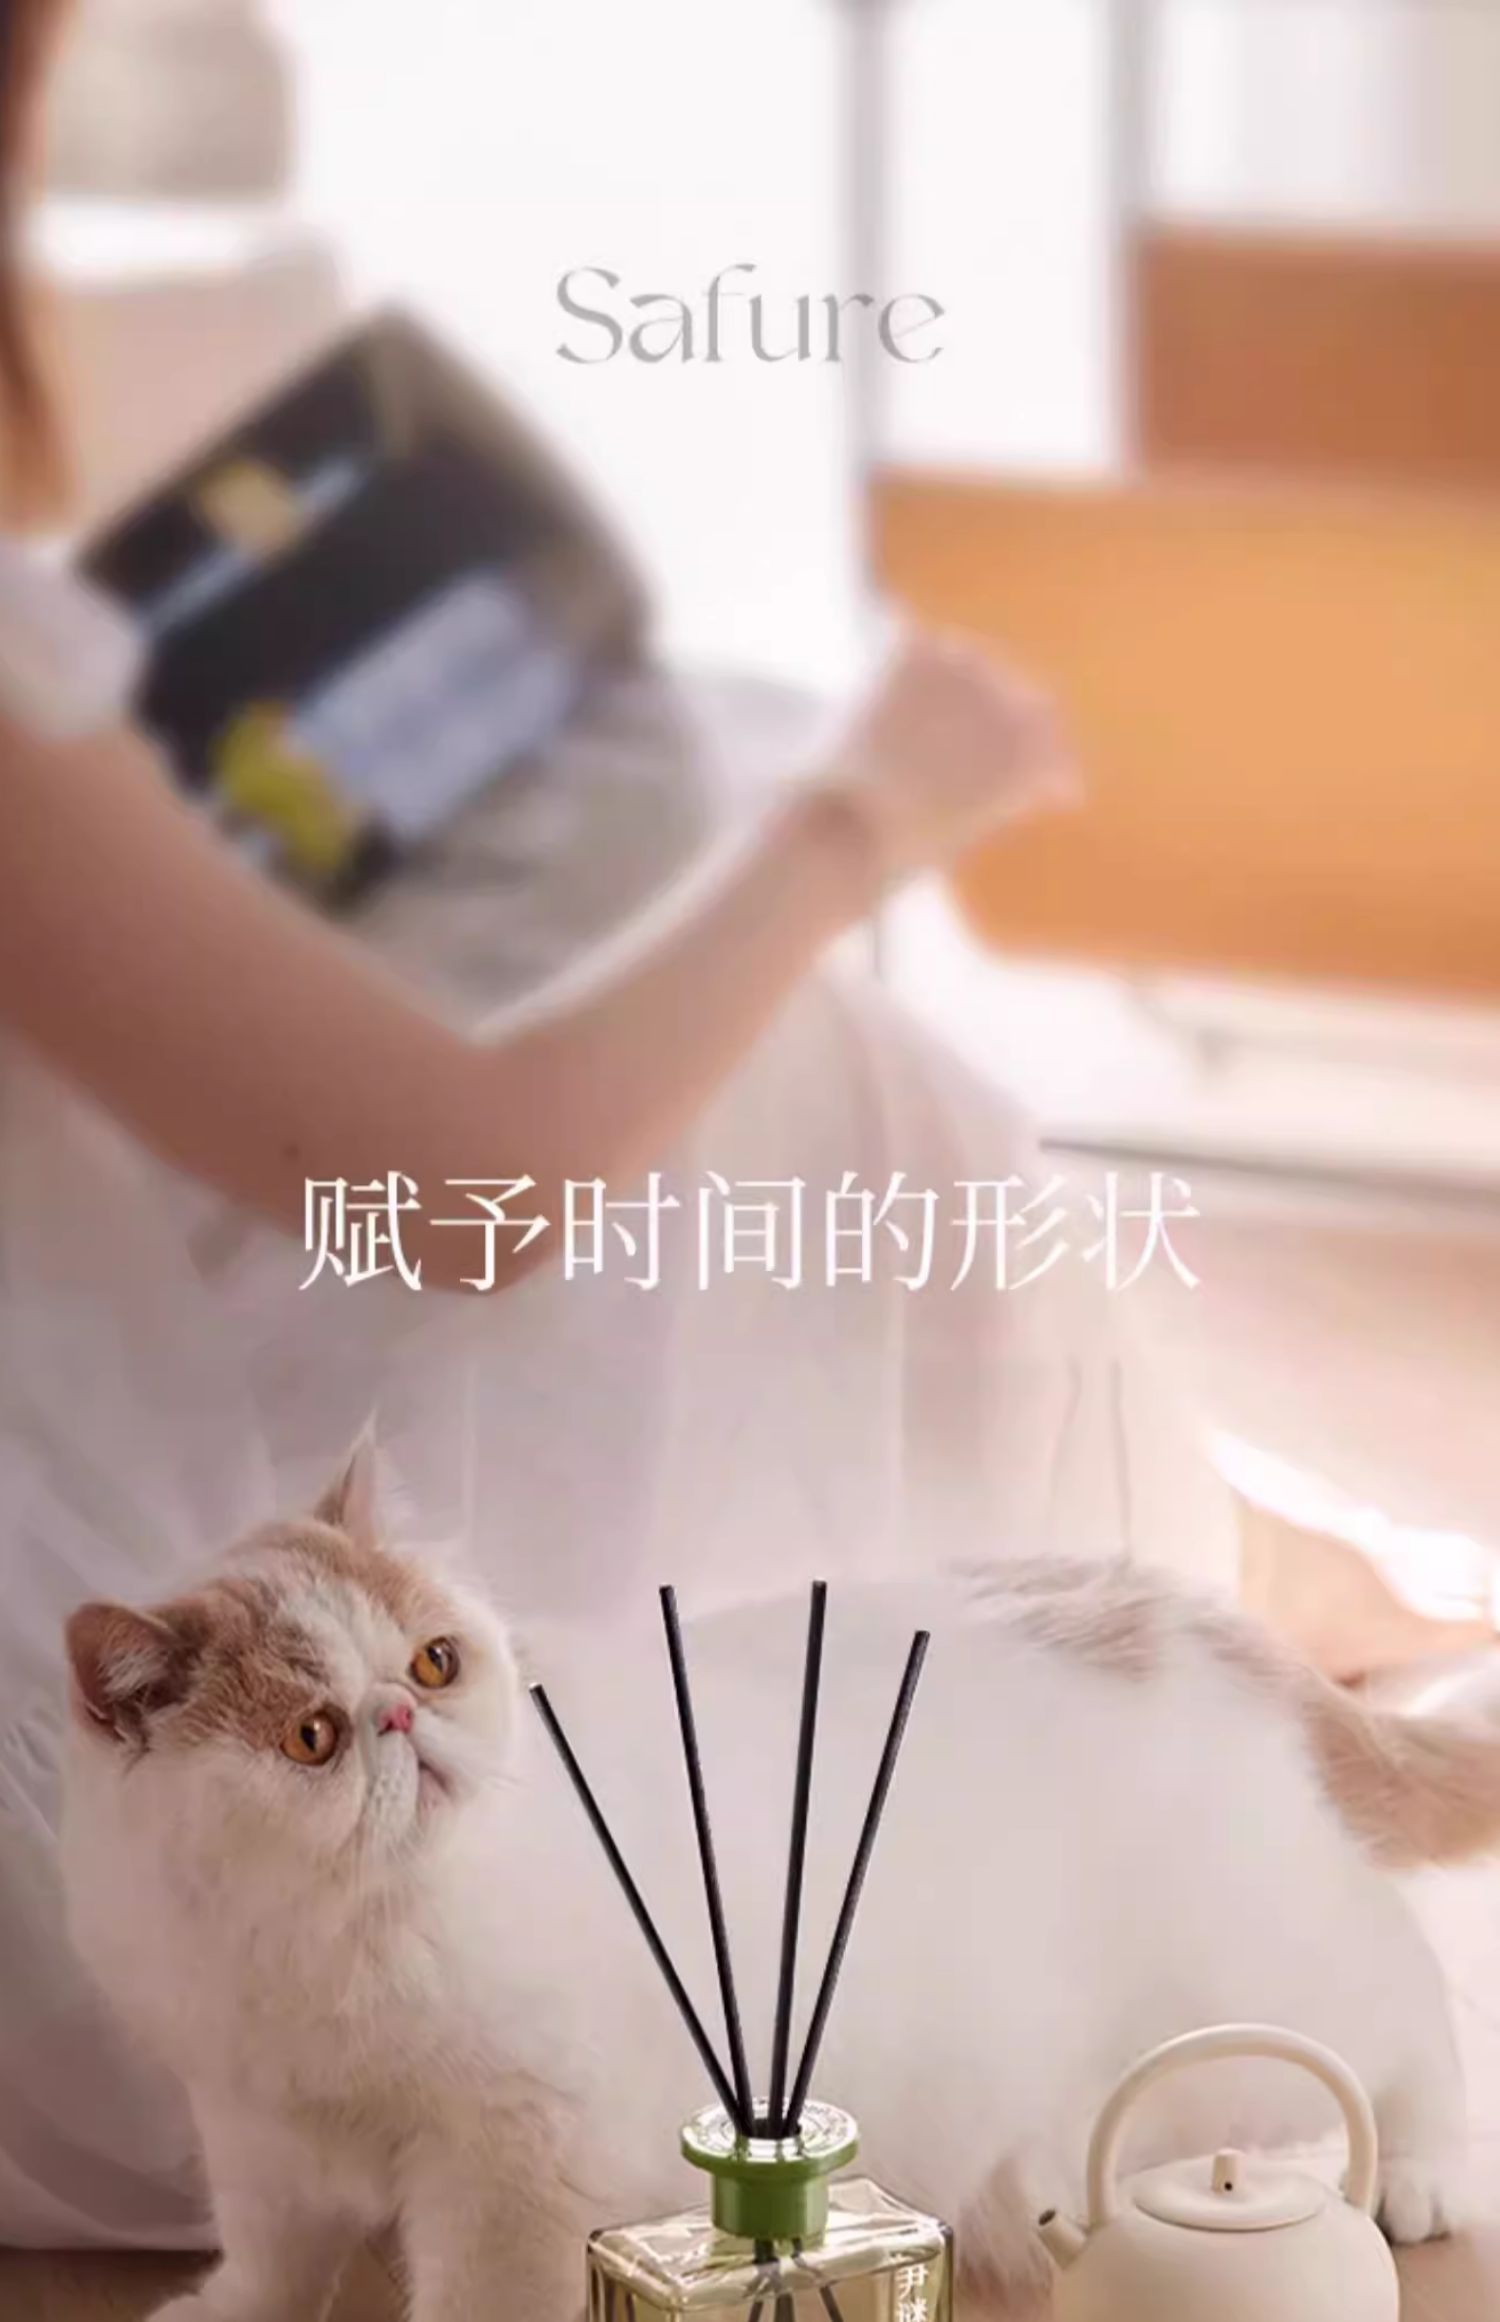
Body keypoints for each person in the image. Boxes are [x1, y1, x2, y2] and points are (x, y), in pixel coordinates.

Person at [0, 0, 1479, 2259]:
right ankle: (1235, 1580)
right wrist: (873, 805)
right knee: (789, 1075)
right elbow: (484, 1194)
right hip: (173, 1862)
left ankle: (1239, 1578)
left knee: (657, 981)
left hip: (149, 1430)